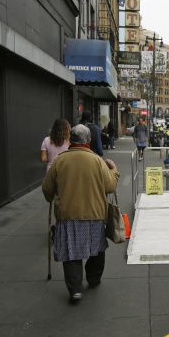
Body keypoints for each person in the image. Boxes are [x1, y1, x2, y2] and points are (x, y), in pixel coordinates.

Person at [42, 124, 119, 303]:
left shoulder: (60, 161)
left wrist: (52, 195)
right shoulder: (97, 161)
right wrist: (114, 170)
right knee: (96, 250)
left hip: (67, 215)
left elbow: (47, 189)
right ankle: (93, 279)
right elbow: (110, 186)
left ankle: (75, 290)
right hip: (94, 214)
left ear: (71, 140)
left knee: (71, 254)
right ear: (89, 141)